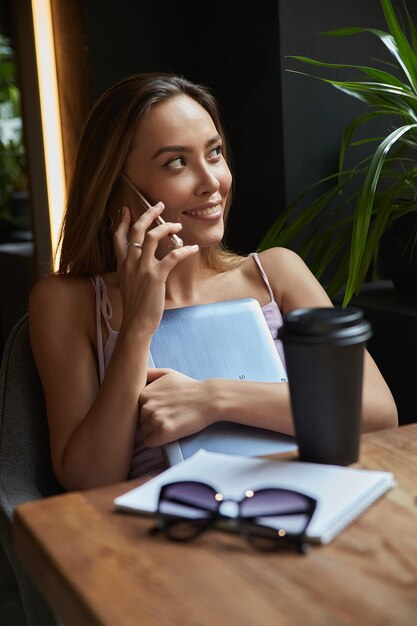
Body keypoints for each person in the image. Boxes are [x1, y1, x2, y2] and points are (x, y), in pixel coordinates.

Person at [29, 73, 397, 491]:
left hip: (302, 500)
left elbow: (377, 412)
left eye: (215, 153)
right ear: (118, 191)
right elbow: (87, 480)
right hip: (171, 527)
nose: (211, 183)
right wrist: (137, 326)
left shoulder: (277, 274)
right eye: (177, 162)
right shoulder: (67, 302)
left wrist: (213, 399)